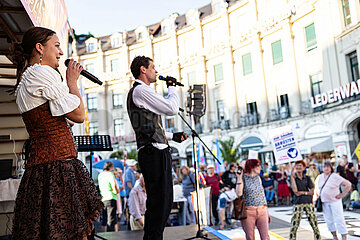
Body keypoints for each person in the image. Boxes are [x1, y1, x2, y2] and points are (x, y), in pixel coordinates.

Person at [11, 27, 103, 240]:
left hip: (44, 166)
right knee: (70, 232)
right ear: (40, 48)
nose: (61, 53)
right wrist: (72, 82)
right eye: (57, 45)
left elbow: (49, 119)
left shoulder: (28, 78)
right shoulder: (41, 73)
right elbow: (79, 114)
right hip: (56, 167)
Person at [126, 56, 187, 240]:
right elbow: (171, 108)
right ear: (143, 70)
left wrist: (172, 136)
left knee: (164, 201)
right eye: (153, 67)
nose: (156, 70)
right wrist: (171, 87)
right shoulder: (141, 90)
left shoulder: (143, 92)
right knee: (159, 202)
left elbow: (151, 127)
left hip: (156, 148)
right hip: (153, 152)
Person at [314, 162, 351, 240]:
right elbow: (316, 189)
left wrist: (342, 194)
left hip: (335, 201)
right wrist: (315, 198)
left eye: (328, 166)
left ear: (331, 168)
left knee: (339, 219)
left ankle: (344, 237)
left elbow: (348, 184)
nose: (326, 168)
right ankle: (334, 236)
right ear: (322, 168)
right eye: (324, 167)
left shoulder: (335, 176)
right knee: (329, 220)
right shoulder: (319, 177)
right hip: (324, 202)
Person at [237, 159, 270, 240]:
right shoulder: (243, 178)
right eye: (258, 165)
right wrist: (239, 178)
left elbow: (262, 195)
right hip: (249, 211)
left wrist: (267, 211)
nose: (260, 167)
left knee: (265, 237)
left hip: (262, 210)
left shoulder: (258, 178)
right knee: (250, 237)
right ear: (252, 167)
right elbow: (239, 193)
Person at [289, 160, 320, 240]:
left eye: (300, 166)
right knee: (294, 225)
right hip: (298, 203)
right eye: (297, 166)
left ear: (304, 168)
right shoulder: (294, 178)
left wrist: (303, 192)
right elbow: (295, 191)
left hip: (308, 202)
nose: (298, 167)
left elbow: (312, 191)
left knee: (314, 223)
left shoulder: (307, 178)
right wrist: (292, 177)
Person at [98, 161, 120, 232]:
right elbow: (113, 185)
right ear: (111, 167)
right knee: (111, 219)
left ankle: (104, 235)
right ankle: (111, 236)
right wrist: (116, 191)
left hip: (103, 198)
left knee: (104, 219)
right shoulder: (110, 174)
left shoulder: (100, 175)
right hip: (111, 198)